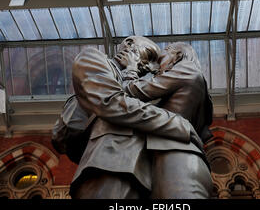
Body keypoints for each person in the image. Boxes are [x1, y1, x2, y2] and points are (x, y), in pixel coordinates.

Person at [69, 37, 203, 199]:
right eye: (150, 57)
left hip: (143, 171)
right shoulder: (94, 59)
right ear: (130, 45)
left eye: (156, 61)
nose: (152, 67)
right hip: (108, 164)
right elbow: (113, 104)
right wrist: (177, 124)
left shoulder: (178, 74)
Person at [120, 42, 213, 199]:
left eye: (160, 59)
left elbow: (131, 90)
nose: (156, 67)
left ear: (176, 55)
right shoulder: (196, 84)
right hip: (182, 156)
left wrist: (130, 69)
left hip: (176, 158)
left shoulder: (186, 69)